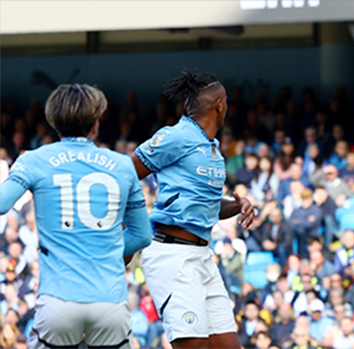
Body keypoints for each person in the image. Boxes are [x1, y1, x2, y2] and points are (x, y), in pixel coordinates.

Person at [0, 84, 152, 348]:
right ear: (95, 124)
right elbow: (142, 235)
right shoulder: (123, 164)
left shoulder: (33, 160)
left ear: (54, 123)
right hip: (110, 300)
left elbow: (2, 204)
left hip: (59, 299)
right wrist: (104, 249)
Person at [131, 70, 255, 349]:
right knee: (194, 346)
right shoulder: (176, 136)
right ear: (220, 105)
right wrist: (130, 230)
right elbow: (126, 175)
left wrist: (238, 205)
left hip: (202, 256)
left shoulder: (211, 147)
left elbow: (209, 206)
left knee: (228, 346)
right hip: (172, 256)